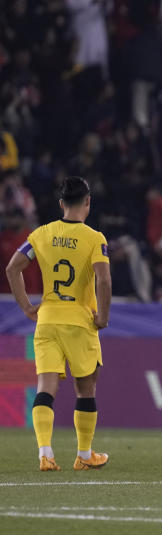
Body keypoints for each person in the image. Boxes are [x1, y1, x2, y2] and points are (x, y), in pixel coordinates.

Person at [4, 176, 111, 471]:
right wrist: (102, 316)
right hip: (79, 322)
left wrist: (27, 306)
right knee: (85, 389)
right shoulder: (94, 238)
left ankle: (45, 454)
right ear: (87, 202)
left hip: (47, 321)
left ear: (61, 204)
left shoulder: (41, 234)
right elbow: (103, 278)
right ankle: (85, 454)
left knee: (45, 388)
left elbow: (13, 268)